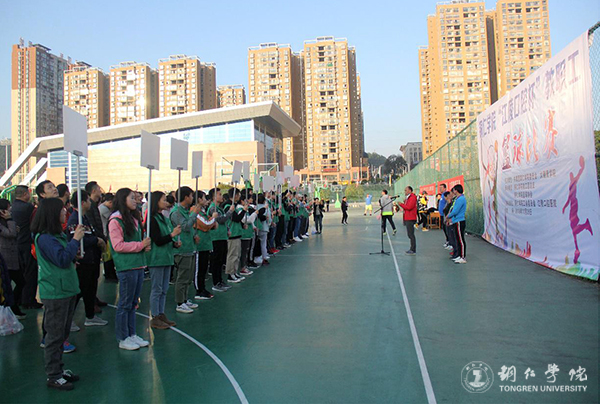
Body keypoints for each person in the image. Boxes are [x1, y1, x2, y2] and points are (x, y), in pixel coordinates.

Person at [31, 198, 85, 390]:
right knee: (55, 335)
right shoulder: (45, 238)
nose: (65, 213)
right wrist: (75, 240)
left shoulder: (56, 235)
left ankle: (59, 370)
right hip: (55, 291)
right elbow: (61, 259)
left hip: (65, 288)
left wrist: (73, 253)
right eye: (62, 210)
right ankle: (53, 375)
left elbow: (62, 257)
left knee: (62, 333)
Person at [108, 188, 151, 350]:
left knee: (133, 303)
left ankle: (132, 334)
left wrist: (143, 246)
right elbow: (118, 245)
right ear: (122, 200)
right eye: (132, 198)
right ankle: (123, 337)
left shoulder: (133, 218)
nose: (136, 200)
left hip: (138, 264)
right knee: (125, 303)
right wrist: (140, 245)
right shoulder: (116, 220)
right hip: (126, 266)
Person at [67, 190, 108, 328]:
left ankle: (90, 316)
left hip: (92, 259)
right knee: (79, 290)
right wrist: (96, 240)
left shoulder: (85, 218)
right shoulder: (75, 220)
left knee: (90, 289)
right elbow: (78, 239)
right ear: (83, 202)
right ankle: (68, 320)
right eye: (88, 200)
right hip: (83, 261)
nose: (90, 202)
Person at [148, 191, 181, 329]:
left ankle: (161, 314)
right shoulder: (152, 219)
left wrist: (174, 242)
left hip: (166, 257)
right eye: (163, 200)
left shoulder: (163, 217)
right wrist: (172, 235)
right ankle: (155, 316)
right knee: (157, 288)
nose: (166, 202)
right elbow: (157, 239)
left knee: (164, 288)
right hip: (157, 258)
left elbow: (165, 236)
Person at [169, 187, 202, 314]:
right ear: (186, 197)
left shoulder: (185, 211)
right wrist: (194, 214)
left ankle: (185, 299)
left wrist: (194, 235)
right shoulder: (176, 212)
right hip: (182, 249)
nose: (193, 198)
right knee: (182, 277)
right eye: (191, 196)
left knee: (188, 277)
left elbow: (190, 228)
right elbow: (185, 227)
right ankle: (179, 302)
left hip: (190, 246)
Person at [12, 185, 42, 309]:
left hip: (16, 244)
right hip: (27, 243)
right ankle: (29, 299)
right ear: (25, 194)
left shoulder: (12, 207)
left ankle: (19, 298)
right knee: (30, 273)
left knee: (21, 273)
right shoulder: (29, 208)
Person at [0, 199, 26, 319]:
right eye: (8, 208)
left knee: (20, 282)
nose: (10, 210)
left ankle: (13, 306)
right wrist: (10, 220)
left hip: (13, 258)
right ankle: (12, 308)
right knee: (11, 285)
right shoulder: (4, 223)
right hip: (5, 260)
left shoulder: (6, 222)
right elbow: (11, 233)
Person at [84, 182, 108, 308]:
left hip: (98, 241)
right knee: (91, 275)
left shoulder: (95, 205)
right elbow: (93, 226)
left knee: (95, 275)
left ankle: (93, 298)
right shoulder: (90, 208)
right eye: (98, 188)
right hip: (94, 242)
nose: (100, 190)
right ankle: (91, 301)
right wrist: (100, 239)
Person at [193, 191, 217, 299]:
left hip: (205, 243)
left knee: (203, 269)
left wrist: (212, 222)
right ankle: (199, 290)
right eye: (203, 198)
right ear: (198, 199)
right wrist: (213, 218)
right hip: (200, 244)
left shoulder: (202, 211)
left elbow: (210, 224)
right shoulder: (195, 211)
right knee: (199, 269)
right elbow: (206, 224)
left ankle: (203, 288)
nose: (206, 200)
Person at [208, 188, 233, 293]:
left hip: (222, 236)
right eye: (219, 194)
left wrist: (227, 229)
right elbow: (221, 219)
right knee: (216, 261)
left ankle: (220, 280)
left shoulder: (219, 208)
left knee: (220, 261)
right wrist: (230, 211)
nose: (221, 196)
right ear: (213, 197)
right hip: (215, 237)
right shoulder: (212, 209)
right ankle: (216, 282)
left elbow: (224, 222)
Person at [225, 188, 247, 283]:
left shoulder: (234, 205)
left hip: (237, 233)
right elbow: (235, 218)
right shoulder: (228, 206)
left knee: (237, 255)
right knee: (232, 255)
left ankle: (234, 272)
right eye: (238, 195)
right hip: (232, 233)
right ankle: (230, 274)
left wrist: (242, 225)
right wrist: (244, 211)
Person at [446, 184, 467, 264]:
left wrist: (448, 216)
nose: (453, 191)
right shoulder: (457, 199)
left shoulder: (461, 199)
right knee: (457, 239)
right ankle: (459, 255)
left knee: (460, 240)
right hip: (456, 221)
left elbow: (455, 210)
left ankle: (462, 257)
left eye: (454, 190)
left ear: (456, 190)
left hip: (459, 221)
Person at [398, 186, 418, 255]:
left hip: (410, 217)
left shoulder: (412, 197)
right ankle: (412, 248)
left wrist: (401, 204)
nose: (405, 192)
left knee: (411, 234)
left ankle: (413, 249)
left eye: (406, 190)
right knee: (410, 234)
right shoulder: (408, 198)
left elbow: (409, 207)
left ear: (410, 190)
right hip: (408, 217)